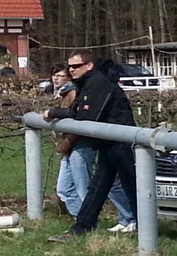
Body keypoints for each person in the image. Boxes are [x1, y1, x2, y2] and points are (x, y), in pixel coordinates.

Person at [46, 51, 141, 241]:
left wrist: (53, 112)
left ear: (89, 66)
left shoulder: (98, 83)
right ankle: (82, 226)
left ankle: (143, 224)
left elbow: (86, 116)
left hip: (121, 141)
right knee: (98, 186)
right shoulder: (88, 83)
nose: (71, 70)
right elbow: (77, 111)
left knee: (130, 184)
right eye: (70, 66)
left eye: (76, 66)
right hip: (108, 142)